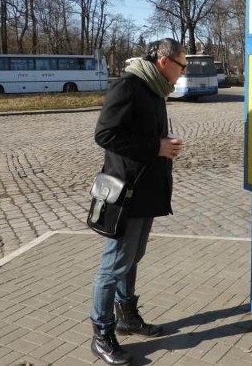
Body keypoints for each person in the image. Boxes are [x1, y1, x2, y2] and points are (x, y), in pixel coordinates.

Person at [89, 38, 186, 365]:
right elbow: (105, 134)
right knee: (113, 264)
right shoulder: (129, 86)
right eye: (181, 65)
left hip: (146, 192)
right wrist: (156, 147)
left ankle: (127, 314)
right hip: (125, 192)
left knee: (133, 257)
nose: (182, 72)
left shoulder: (155, 89)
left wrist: (163, 146)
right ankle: (101, 332)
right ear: (164, 61)